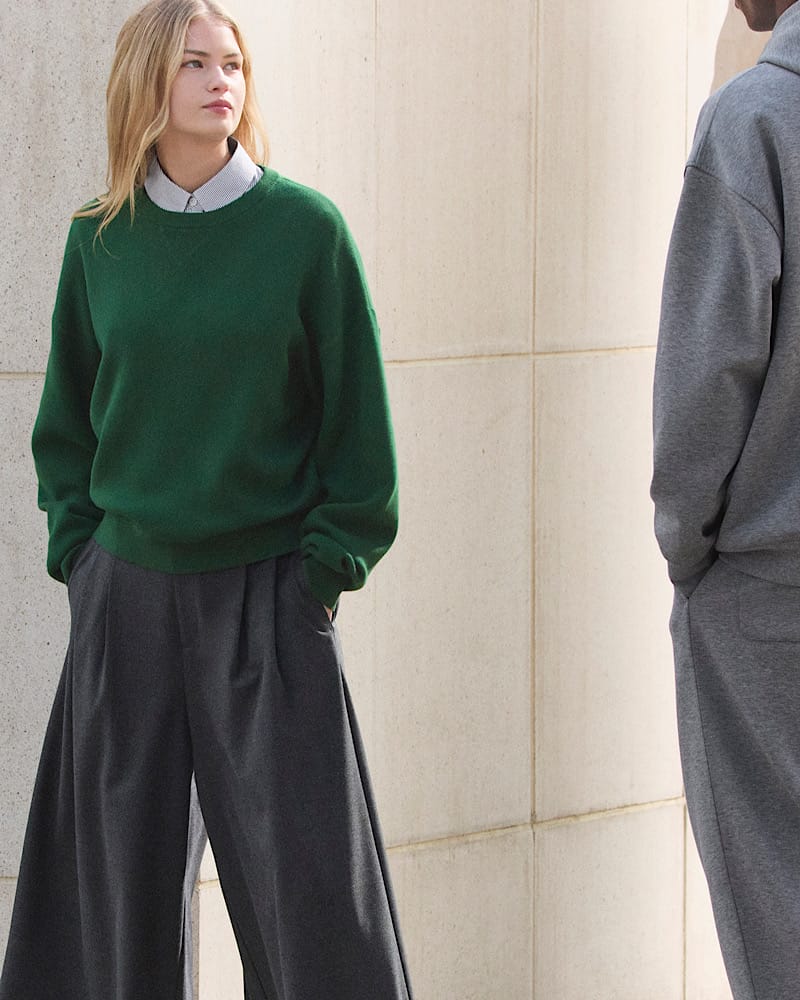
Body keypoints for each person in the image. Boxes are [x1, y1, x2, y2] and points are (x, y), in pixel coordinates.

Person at [0, 2, 414, 998]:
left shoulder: (305, 233)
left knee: (314, 905)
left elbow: (360, 440)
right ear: (147, 80)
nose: (220, 80)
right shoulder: (99, 240)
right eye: (194, 63)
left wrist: (320, 577)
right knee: (111, 907)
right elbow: (66, 428)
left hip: (268, 600)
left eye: (231, 62)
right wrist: (83, 558)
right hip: (126, 599)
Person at [651, 1, 800, 997]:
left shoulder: (752, 122)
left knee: (777, 919)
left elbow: (706, 384)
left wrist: (689, 546)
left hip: (764, 594)